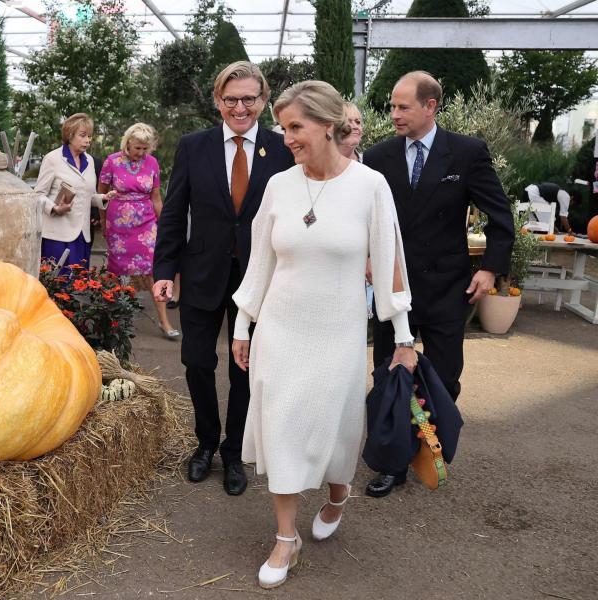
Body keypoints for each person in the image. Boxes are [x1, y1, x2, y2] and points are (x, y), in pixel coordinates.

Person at [230, 80, 416, 589]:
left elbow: (391, 261)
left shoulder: (370, 186)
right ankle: (286, 537)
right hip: (281, 328)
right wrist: (244, 324)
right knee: (282, 422)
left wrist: (402, 336)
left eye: (296, 127)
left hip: (338, 332)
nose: (286, 137)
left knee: (335, 430)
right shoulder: (279, 186)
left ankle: (338, 495)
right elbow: (261, 262)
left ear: (328, 126)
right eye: (283, 127)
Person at [363, 71, 514, 498]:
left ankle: (429, 447)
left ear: (431, 107)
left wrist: (489, 269)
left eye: (403, 106)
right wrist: (368, 258)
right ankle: (391, 463)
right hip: (394, 292)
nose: (394, 114)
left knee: (445, 379)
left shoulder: (466, 153)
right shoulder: (378, 157)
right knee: (387, 375)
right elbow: (363, 219)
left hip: (449, 289)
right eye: (392, 106)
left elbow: (500, 218)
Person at [152, 61, 295, 496]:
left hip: (261, 279)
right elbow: (175, 212)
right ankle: (205, 443)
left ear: (263, 101)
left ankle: (234, 453)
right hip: (202, 274)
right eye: (231, 99)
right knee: (197, 362)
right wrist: (164, 271)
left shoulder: (283, 149)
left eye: (249, 99)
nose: (240, 107)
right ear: (217, 101)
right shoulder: (195, 147)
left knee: (245, 370)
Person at [98, 123, 178, 339]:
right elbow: (101, 194)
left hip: (146, 224)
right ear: (128, 144)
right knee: (118, 271)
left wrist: (164, 227)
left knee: (155, 269)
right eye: (137, 148)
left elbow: (156, 197)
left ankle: (164, 321)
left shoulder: (152, 163)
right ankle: (118, 319)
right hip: (118, 224)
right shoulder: (112, 161)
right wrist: (103, 221)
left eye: (145, 148)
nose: (141, 153)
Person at [34, 113, 116, 269]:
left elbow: (87, 195)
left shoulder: (90, 161)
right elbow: (37, 195)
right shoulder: (53, 159)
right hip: (57, 236)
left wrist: (103, 198)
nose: (88, 140)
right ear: (70, 135)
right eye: (83, 135)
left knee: (79, 287)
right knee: (58, 287)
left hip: (83, 236)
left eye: (90, 136)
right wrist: (54, 208)